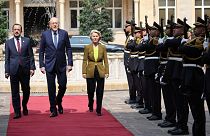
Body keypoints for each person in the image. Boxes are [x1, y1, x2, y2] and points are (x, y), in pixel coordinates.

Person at [39, 17, 73, 117]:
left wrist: (70, 63)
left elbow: (69, 49)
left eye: (56, 23)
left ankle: (58, 100)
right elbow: (41, 51)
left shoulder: (64, 33)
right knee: (51, 88)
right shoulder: (45, 34)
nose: (54, 25)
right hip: (49, 65)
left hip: (61, 64)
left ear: (58, 24)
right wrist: (42, 65)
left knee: (63, 85)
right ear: (49, 24)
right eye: (52, 23)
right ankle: (53, 109)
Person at [179, 16, 206, 136]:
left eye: (199, 27)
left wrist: (185, 46)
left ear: (204, 30)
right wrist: (185, 46)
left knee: (198, 110)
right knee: (194, 110)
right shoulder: (193, 40)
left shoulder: (201, 41)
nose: (196, 29)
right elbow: (182, 49)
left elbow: (192, 51)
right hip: (188, 75)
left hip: (195, 75)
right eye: (195, 27)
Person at [5, 24, 36, 119]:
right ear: (12, 31)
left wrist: (32, 68)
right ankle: (17, 111)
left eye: (18, 29)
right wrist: (7, 71)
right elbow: (7, 58)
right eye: (15, 29)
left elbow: (31, 55)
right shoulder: (8, 42)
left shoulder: (27, 41)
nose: (16, 31)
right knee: (15, 92)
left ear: (21, 31)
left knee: (26, 90)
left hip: (25, 69)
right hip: (13, 70)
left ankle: (24, 104)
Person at [82, 30, 109, 116]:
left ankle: (98, 109)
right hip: (90, 70)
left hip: (100, 70)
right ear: (91, 38)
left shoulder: (103, 47)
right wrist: (84, 72)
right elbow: (85, 60)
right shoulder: (87, 47)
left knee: (100, 91)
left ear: (99, 37)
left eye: (96, 36)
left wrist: (107, 71)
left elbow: (106, 60)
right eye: (93, 36)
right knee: (90, 90)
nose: (95, 38)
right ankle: (90, 102)